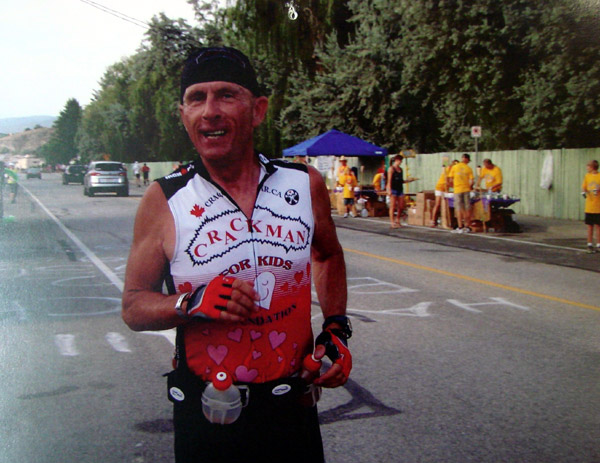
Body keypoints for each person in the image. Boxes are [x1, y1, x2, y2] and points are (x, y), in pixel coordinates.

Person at [121, 46, 351, 463]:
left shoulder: (304, 184)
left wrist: (336, 331)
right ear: (184, 115)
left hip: (292, 411)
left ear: (258, 110)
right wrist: (190, 302)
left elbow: (328, 255)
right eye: (197, 98)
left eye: (226, 94)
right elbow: (134, 307)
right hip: (208, 417)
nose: (209, 111)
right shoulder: (164, 199)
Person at [386, 154, 415, 228]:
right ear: (396, 160)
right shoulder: (391, 169)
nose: (400, 162)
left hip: (400, 189)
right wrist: (389, 189)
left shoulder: (400, 169)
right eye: (400, 161)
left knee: (401, 206)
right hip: (393, 189)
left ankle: (397, 220)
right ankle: (392, 222)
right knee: (392, 206)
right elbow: (389, 181)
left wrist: (408, 180)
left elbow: (401, 181)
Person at [448, 153, 474, 233]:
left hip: (458, 190)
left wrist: (454, 186)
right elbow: (472, 181)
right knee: (467, 208)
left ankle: (460, 226)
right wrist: (469, 187)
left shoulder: (455, 167)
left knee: (458, 208)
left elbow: (450, 180)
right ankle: (467, 226)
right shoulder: (468, 168)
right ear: (467, 159)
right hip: (466, 190)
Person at [582, 159, 600, 253]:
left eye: (588, 166)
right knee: (590, 226)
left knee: (598, 226)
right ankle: (589, 244)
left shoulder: (599, 176)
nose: (587, 168)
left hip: (598, 206)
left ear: (592, 167)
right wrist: (584, 192)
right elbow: (584, 187)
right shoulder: (587, 176)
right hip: (589, 206)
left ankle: (598, 244)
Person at [429, 158, 454, 227]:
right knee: (438, 204)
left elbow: (451, 182)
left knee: (447, 205)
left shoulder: (453, 171)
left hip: (446, 189)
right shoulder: (447, 169)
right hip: (440, 187)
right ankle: (433, 220)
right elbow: (447, 179)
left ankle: (447, 221)